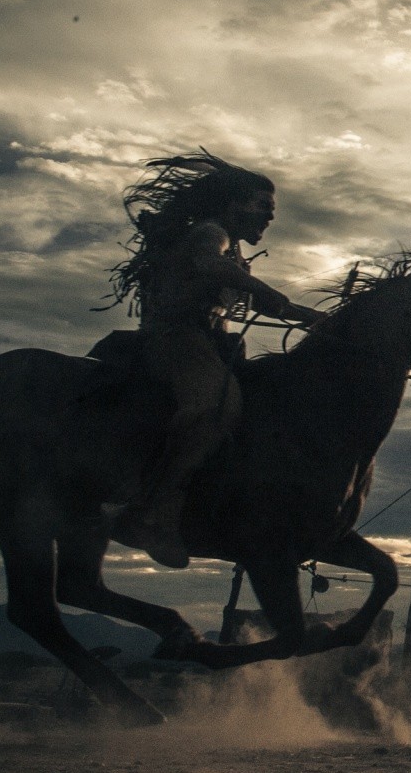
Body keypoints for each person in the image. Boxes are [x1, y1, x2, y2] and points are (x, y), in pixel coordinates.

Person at [101, 152, 325, 568]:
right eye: (263, 206)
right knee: (215, 409)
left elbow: (259, 294)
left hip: (210, 343)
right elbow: (210, 264)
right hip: (177, 339)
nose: (269, 217)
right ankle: (149, 510)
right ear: (232, 204)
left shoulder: (231, 247)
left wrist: (310, 316)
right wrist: (275, 298)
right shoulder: (212, 233)